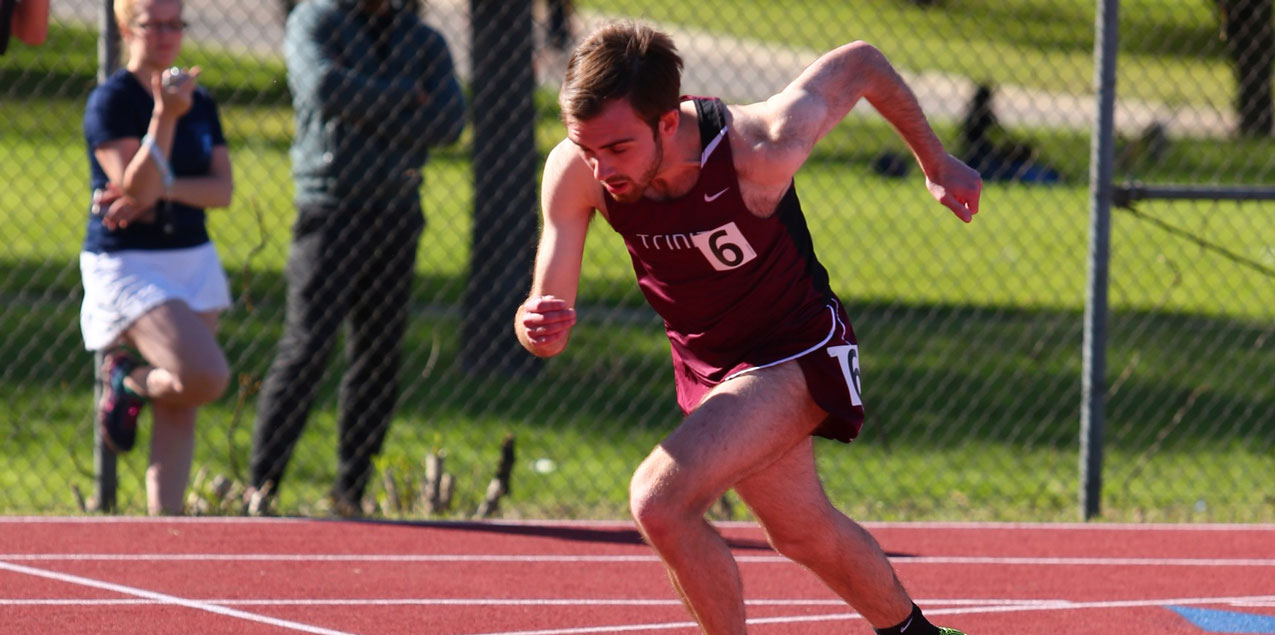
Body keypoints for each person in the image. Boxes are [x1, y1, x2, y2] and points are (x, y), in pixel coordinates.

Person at [514, 22, 980, 635]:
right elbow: (549, 311)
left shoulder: (760, 146)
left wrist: (936, 159)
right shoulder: (576, 169)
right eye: (587, 146)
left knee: (660, 502)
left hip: (798, 350)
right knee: (803, 533)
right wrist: (536, 325)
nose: (601, 168)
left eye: (618, 149)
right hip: (712, 367)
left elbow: (862, 62)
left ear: (668, 122)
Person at [248, 0, 466, 517]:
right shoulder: (315, 20)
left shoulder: (424, 40)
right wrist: (403, 98)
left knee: (378, 355)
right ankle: (261, 486)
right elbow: (323, 89)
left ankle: (350, 491)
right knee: (307, 347)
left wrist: (367, 111)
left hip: (397, 209)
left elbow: (449, 121)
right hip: (331, 208)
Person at [81, 0, 233, 515]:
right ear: (126, 29)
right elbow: (134, 183)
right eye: (153, 24)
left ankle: (165, 535)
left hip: (191, 257)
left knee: (181, 403)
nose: (166, 35)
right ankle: (128, 377)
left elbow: (220, 190)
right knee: (205, 376)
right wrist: (164, 117)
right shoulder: (112, 100)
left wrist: (161, 189)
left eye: (175, 23)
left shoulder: (201, 100)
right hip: (129, 262)